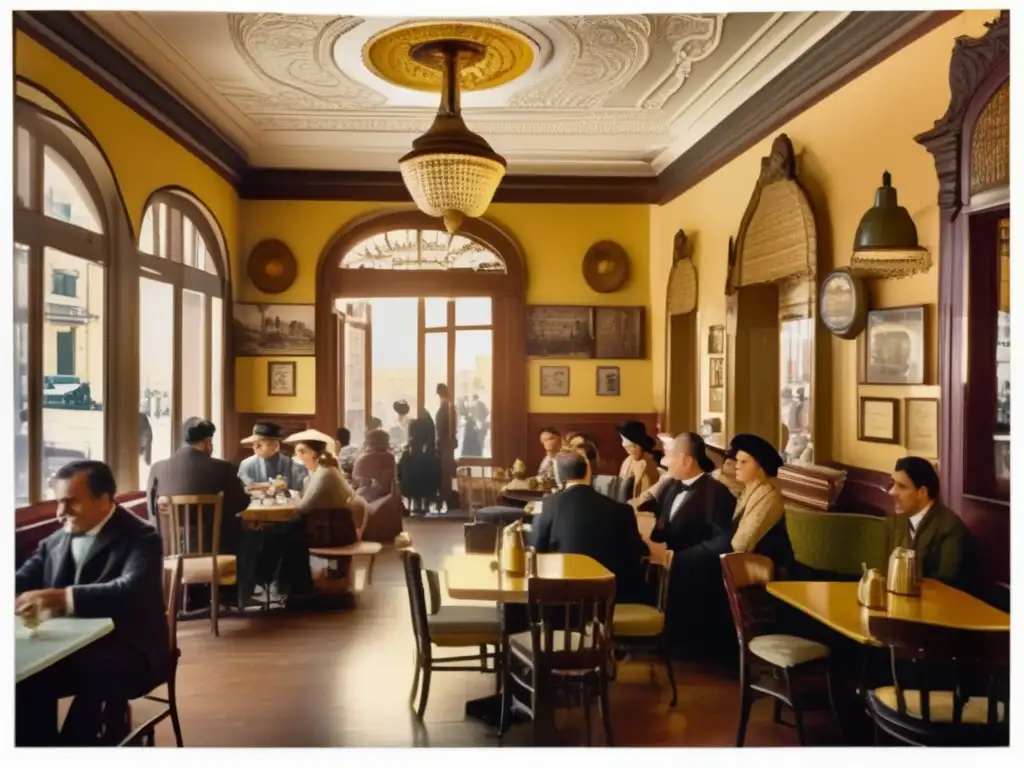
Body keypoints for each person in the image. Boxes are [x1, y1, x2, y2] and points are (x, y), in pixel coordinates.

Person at [16, 461, 168, 746]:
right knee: (22, 680)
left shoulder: (142, 537)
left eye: (71, 502)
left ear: (104, 499)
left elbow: (129, 591)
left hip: (131, 649)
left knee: (94, 678)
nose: (61, 513)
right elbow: (20, 580)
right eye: (58, 502)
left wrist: (63, 598)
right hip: (66, 648)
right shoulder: (54, 541)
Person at [646, 433, 737, 657]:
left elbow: (724, 541)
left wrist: (680, 557)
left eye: (669, 456)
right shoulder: (670, 487)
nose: (664, 462)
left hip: (698, 573)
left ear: (686, 460)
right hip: (669, 568)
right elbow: (660, 523)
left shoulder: (717, 493)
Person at [532, 450, 648, 602]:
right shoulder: (621, 510)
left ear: (559, 477)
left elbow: (536, 548)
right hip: (610, 601)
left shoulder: (547, 506)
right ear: (588, 473)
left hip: (562, 600)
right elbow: (637, 552)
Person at [146, 417, 249, 556]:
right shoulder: (224, 468)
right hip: (215, 550)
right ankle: (244, 578)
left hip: (167, 551)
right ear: (207, 442)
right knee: (249, 535)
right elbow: (241, 503)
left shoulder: (156, 469)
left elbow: (152, 511)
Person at [887, 456, 967, 587]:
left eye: (901, 486)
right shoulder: (895, 523)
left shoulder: (949, 527)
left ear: (922, 492)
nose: (892, 492)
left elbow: (947, 584)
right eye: (892, 484)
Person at [728, 433, 791, 562]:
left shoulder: (769, 495)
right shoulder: (747, 490)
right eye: (737, 461)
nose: (736, 466)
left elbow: (741, 544)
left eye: (743, 462)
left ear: (760, 467)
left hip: (769, 572)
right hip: (742, 566)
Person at [352, 428, 405, 543]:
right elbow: (392, 479)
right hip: (385, 492)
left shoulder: (363, 458)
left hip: (370, 493)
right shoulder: (389, 457)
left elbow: (356, 478)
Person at [237, 422, 308, 491]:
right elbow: (247, 488)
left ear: (276, 446)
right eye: (254, 443)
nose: (256, 447)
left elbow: (299, 492)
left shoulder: (294, 466)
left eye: (260, 444)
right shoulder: (246, 465)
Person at [617, 420, 661, 502]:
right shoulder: (628, 460)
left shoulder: (647, 464)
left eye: (624, 440)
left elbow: (646, 497)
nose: (623, 444)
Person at [434, 383, 458, 510]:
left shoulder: (447, 407)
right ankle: (446, 499)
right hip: (447, 445)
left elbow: (443, 428)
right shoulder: (449, 407)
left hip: (445, 445)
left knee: (445, 473)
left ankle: (445, 499)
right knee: (446, 473)